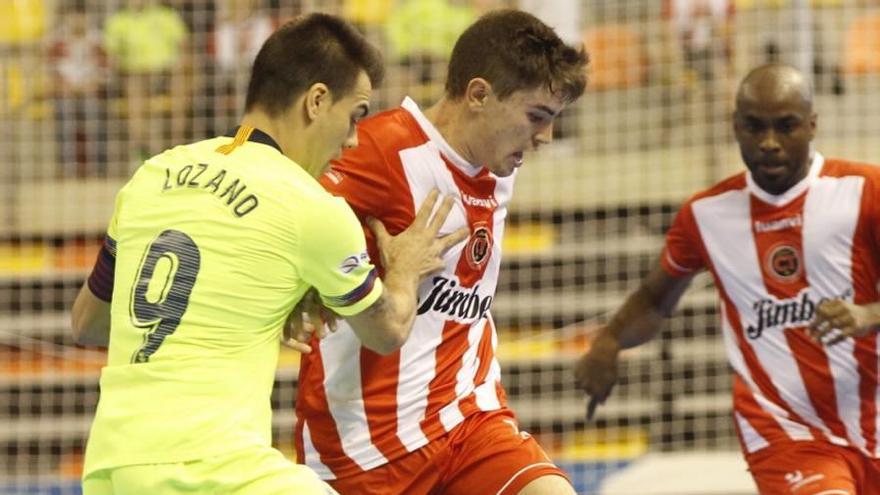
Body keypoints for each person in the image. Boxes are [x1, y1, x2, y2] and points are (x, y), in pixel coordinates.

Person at [71, 13, 466, 495]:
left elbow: (87, 323)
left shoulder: (153, 176)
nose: (353, 140)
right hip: (215, 469)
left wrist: (248, 308)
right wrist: (404, 269)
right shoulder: (311, 205)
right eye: (356, 115)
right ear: (317, 101)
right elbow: (388, 331)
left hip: (113, 468)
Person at [296, 9, 588, 495]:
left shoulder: (501, 165)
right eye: (537, 117)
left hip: (472, 421)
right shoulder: (379, 151)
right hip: (365, 449)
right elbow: (283, 213)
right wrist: (293, 293)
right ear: (478, 95)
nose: (546, 137)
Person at [576, 63, 880, 494]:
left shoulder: (865, 190)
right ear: (735, 126)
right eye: (754, 127)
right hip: (784, 430)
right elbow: (653, 299)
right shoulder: (705, 215)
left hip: (870, 416)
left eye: (785, 127)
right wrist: (608, 342)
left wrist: (870, 313)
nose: (769, 143)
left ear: (812, 125)